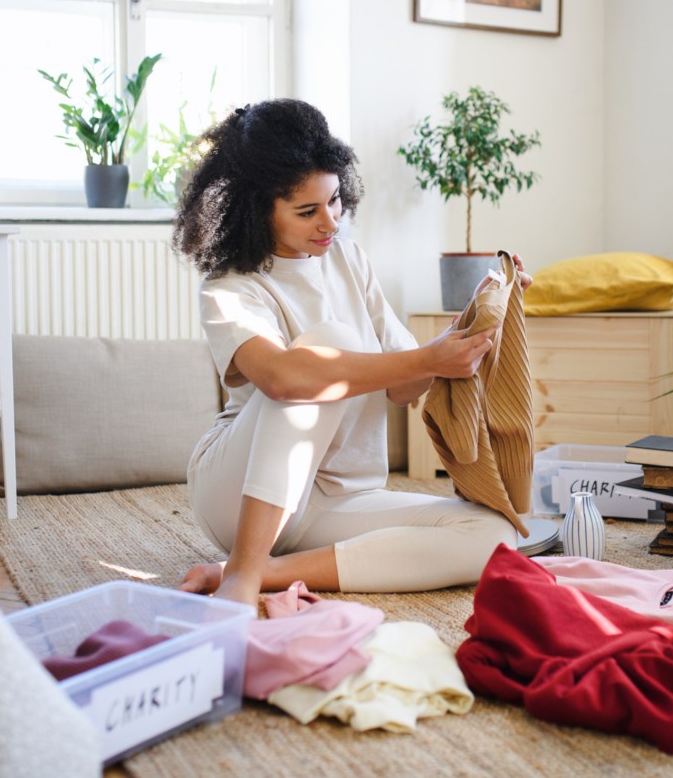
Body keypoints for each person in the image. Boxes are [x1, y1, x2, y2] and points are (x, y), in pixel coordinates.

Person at [172, 98, 532, 608]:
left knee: (495, 536)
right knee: (327, 348)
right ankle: (243, 572)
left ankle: (269, 572)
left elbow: (405, 384)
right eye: (307, 211)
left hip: (341, 498)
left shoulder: (349, 260)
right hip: (238, 496)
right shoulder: (229, 287)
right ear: (256, 210)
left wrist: (475, 323)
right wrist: (427, 359)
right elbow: (282, 378)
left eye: (336, 200)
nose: (331, 222)